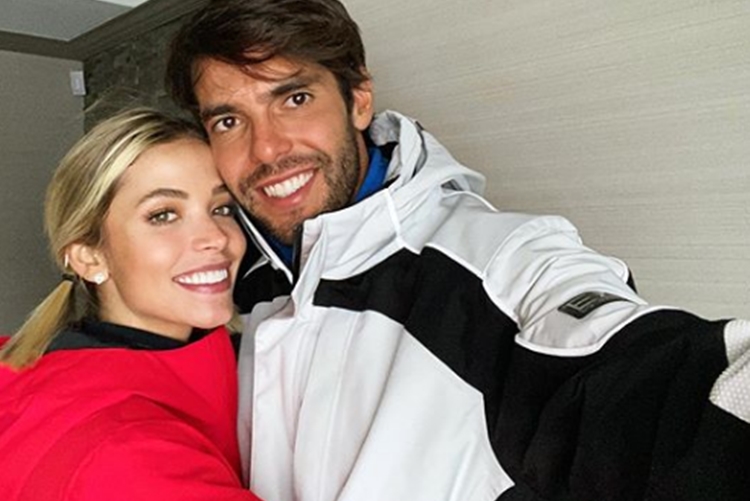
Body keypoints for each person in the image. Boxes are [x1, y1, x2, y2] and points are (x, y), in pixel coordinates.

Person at [166, 1, 750, 500]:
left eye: (294, 98)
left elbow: (657, 386)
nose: (267, 149)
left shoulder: (500, 268)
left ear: (359, 98)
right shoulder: (239, 270)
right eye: (229, 121)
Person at [0, 108, 264, 501]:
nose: (217, 237)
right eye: (163, 215)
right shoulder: (131, 456)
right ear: (90, 257)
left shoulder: (39, 373)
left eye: (221, 208)